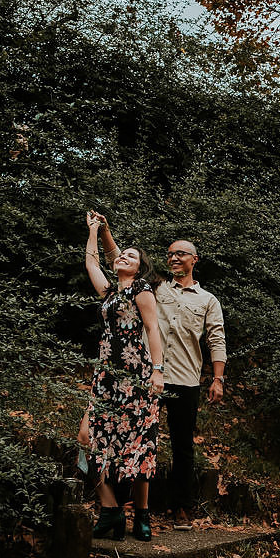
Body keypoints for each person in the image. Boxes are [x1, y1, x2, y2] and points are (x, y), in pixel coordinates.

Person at [98, 216, 226, 531]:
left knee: (182, 445)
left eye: (180, 253)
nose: (173, 257)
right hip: (146, 378)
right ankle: (127, 505)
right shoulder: (153, 287)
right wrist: (104, 231)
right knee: (134, 437)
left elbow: (216, 339)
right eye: (169, 254)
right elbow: (121, 262)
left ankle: (181, 507)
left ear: (195, 259)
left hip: (185, 381)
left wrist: (218, 378)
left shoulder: (208, 300)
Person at [78, 211, 165, 541]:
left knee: (139, 442)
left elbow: (153, 328)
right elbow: (91, 264)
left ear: (138, 267)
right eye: (122, 254)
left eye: (131, 256)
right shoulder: (110, 295)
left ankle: (141, 515)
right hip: (105, 374)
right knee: (88, 439)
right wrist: (94, 231)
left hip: (135, 374)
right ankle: (111, 509)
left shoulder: (141, 288)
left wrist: (158, 371)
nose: (123, 257)